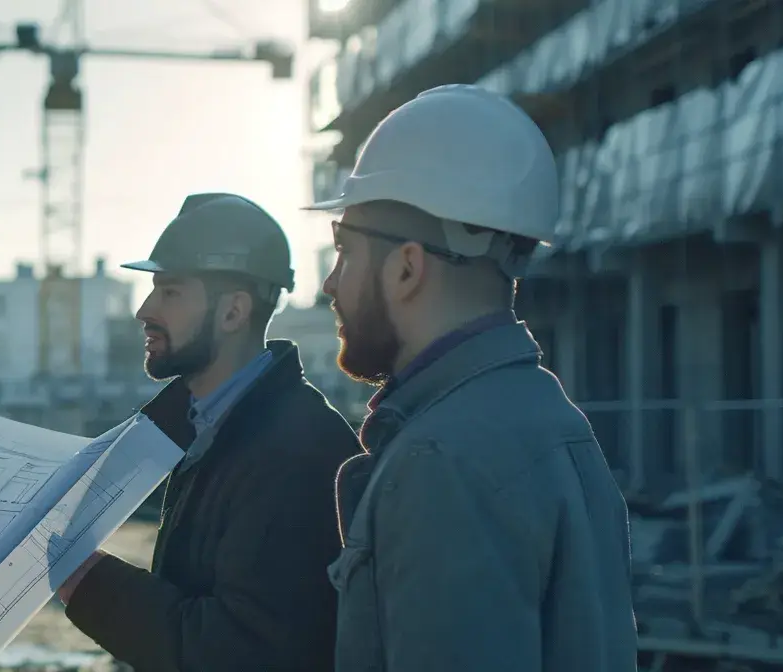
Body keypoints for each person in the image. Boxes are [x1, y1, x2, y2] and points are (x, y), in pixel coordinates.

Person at [305, 84, 637, 671]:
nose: (330, 284)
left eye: (345, 251)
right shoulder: (552, 419)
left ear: (407, 267)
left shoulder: (439, 460)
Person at [56, 193, 363, 670]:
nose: (145, 310)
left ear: (233, 312)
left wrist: (86, 581)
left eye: (171, 292)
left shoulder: (297, 452)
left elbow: (241, 653)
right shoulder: (209, 428)